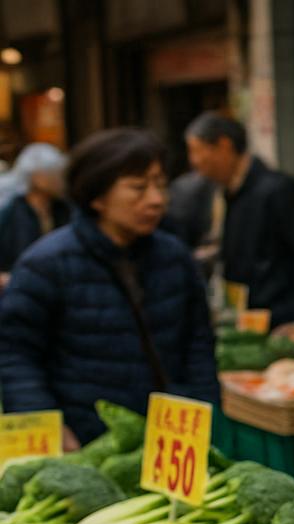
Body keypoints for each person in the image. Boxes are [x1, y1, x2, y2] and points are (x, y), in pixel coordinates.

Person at [0, 128, 218, 446]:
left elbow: (198, 345)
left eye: (160, 185)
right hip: (85, 442)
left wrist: (205, 412)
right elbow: (15, 355)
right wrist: (44, 420)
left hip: (169, 440)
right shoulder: (45, 264)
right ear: (97, 197)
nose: (156, 200)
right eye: (138, 188)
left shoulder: (175, 257)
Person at [184, 112, 294, 326]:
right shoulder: (216, 192)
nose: (194, 161)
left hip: (278, 318)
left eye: (197, 150)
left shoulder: (279, 190)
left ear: (224, 146)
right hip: (243, 316)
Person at [0, 143, 70, 275]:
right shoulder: (10, 214)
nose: (60, 180)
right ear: (36, 177)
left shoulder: (65, 209)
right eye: (53, 174)